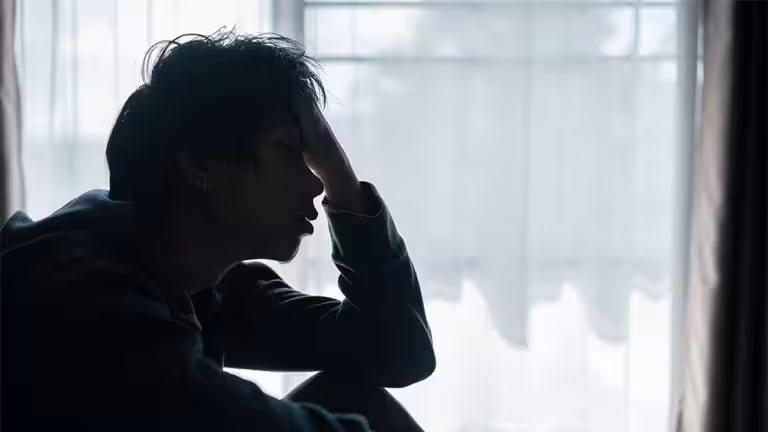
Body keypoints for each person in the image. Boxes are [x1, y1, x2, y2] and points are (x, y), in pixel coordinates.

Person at [0, 31, 435, 432]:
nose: (315, 184)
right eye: (288, 151)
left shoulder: (202, 280)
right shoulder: (78, 287)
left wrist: (340, 173)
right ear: (199, 162)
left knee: (359, 402)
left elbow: (398, 349)